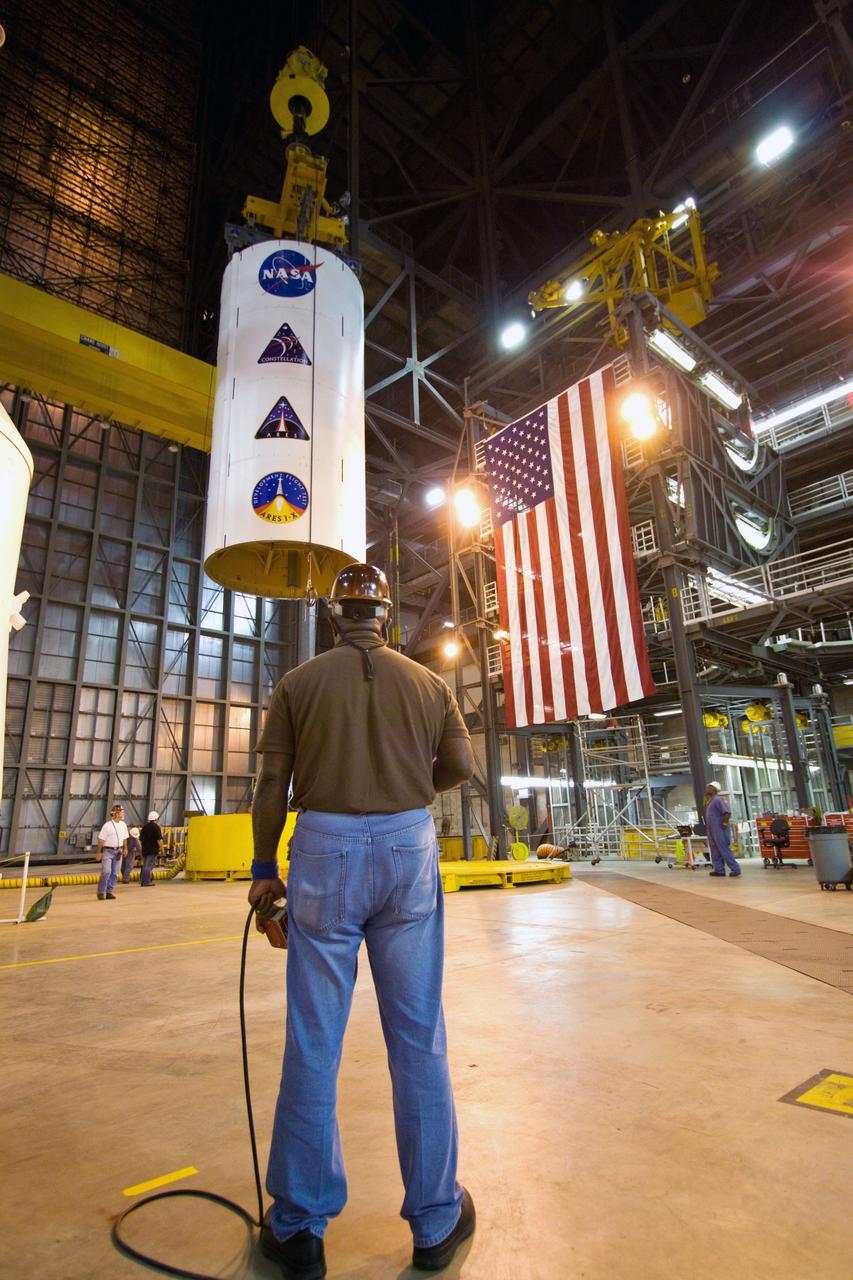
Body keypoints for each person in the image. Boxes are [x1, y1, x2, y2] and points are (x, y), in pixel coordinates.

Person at [249, 563, 476, 1280]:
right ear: (385, 616)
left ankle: (299, 1228)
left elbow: (270, 785)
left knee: (314, 1038)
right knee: (417, 1034)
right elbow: (461, 766)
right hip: (408, 848)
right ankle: (436, 1219)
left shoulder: (298, 683)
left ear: (333, 613)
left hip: (324, 848)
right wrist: (408, 792)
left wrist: (263, 872)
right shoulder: (429, 683)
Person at [704, 782, 741, 877]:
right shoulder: (710, 801)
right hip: (712, 829)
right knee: (714, 850)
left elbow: (727, 812)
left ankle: (735, 869)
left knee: (723, 848)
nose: (707, 788)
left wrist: (724, 822)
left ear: (715, 789)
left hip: (719, 828)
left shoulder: (718, 800)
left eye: (710, 787)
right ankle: (719, 870)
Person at [96, 803, 129, 900]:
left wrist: (125, 848)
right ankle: (101, 891)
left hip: (118, 851)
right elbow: (101, 840)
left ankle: (109, 891)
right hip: (108, 851)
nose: (123, 814)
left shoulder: (123, 825)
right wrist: (99, 852)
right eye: (122, 812)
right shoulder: (107, 825)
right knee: (106, 871)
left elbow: (125, 838)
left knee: (115, 873)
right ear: (116, 813)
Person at [139, 811, 163, 886]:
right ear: (156, 818)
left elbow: (141, 839)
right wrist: (162, 848)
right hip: (152, 850)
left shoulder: (145, 827)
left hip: (145, 850)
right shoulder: (156, 827)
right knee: (149, 866)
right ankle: (146, 881)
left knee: (145, 865)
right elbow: (159, 840)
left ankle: (143, 881)